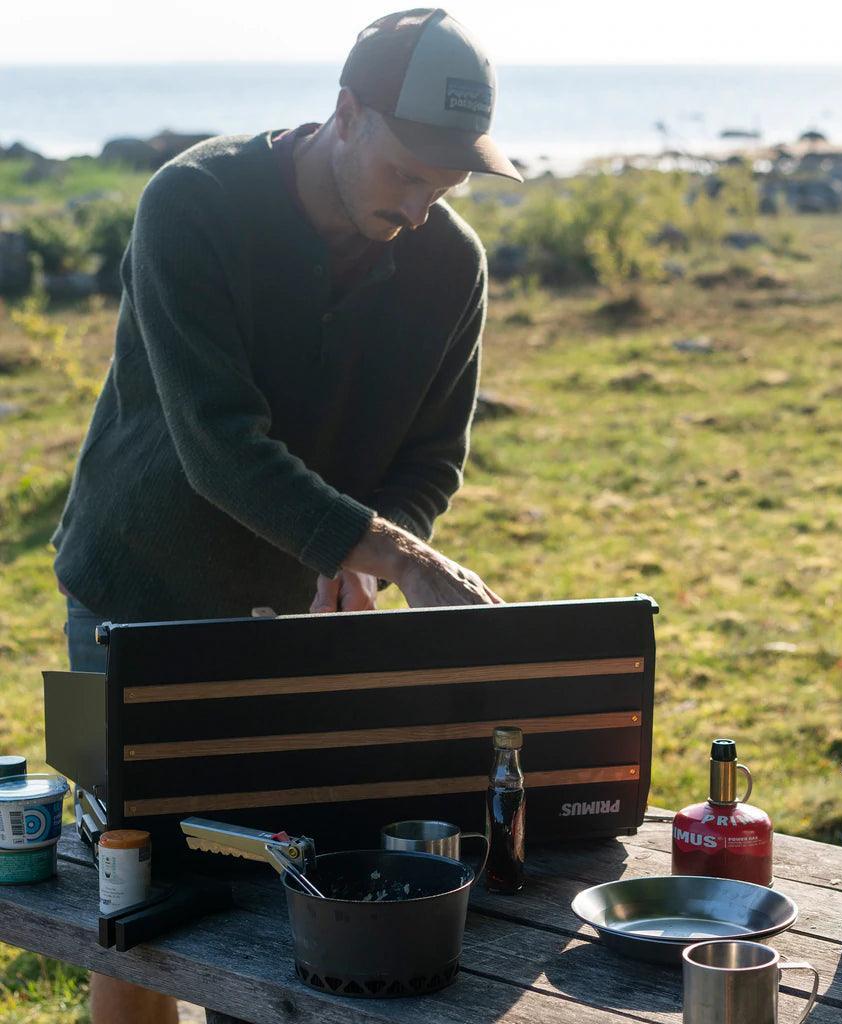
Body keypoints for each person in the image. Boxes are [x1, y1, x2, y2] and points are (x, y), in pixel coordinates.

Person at [53, 9, 522, 1022]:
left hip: (306, 621)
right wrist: (394, 555)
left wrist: (359, 553)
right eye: (409, 167)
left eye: (452, 176)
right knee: (148, 906)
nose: (427, 197)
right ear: (345, 112)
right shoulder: (194, 203)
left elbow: (429, 455)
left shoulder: (452, 264)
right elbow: (219, 444)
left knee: (291, 892)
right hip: (140, 590)